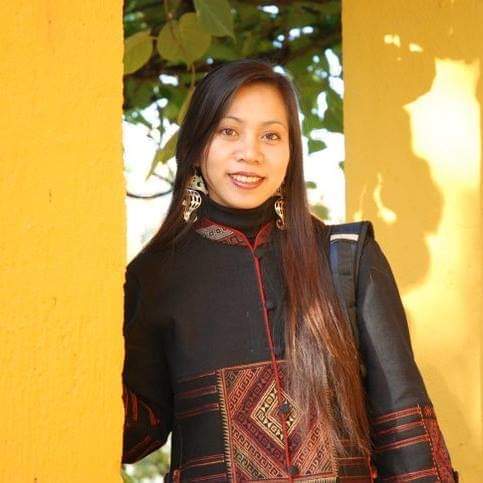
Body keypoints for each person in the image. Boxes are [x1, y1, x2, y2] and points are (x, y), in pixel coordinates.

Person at [121, 59, 458, 482]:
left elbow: (404, 428)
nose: (250, 153)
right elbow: (133, 437)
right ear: (195, 144)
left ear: (291, 153)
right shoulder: (154, 277)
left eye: (271, 136)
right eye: (228, 131)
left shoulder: (347, 259)